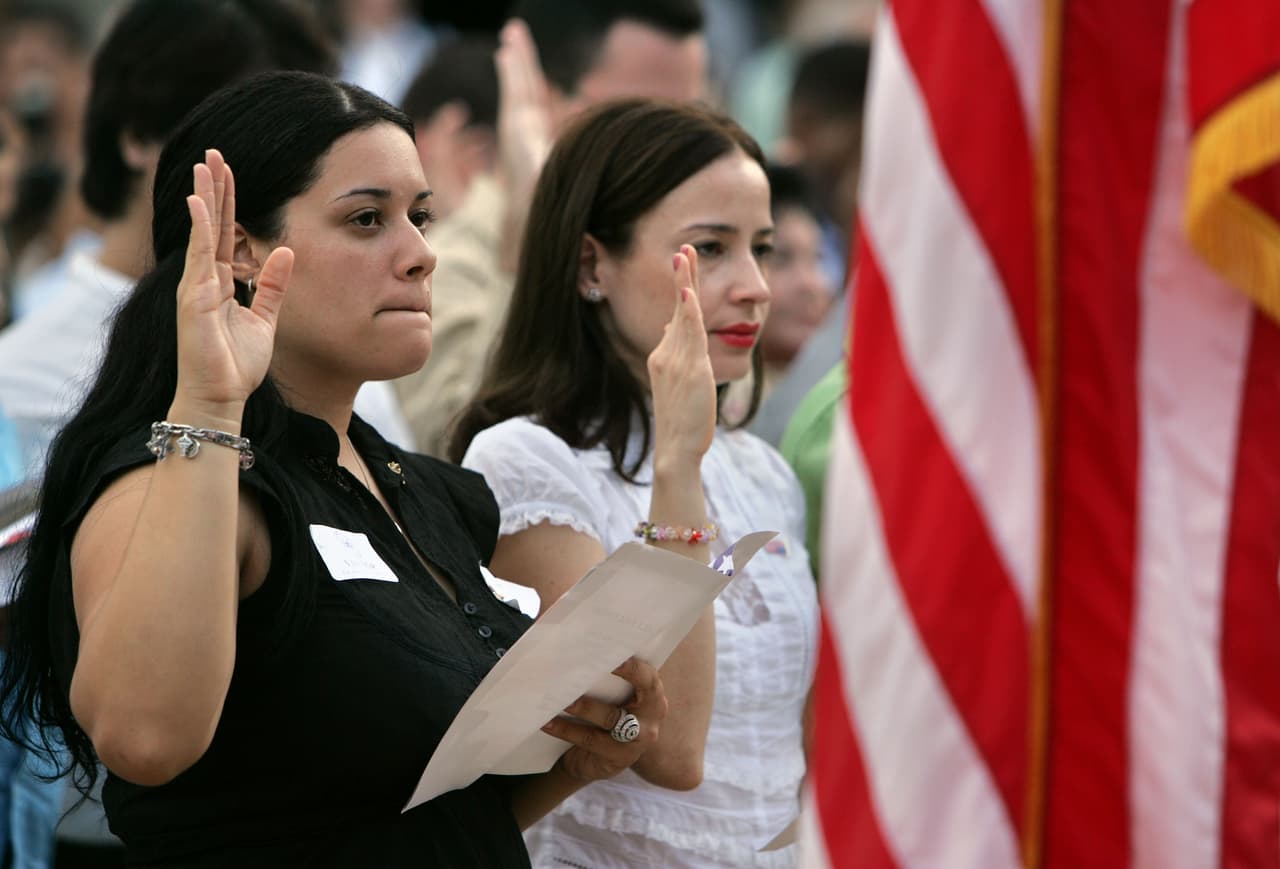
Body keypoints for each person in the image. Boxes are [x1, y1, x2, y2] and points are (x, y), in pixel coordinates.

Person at [0, 70, 669, 867]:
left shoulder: (433, 494)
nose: (420, 254)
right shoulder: (172, 471)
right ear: (241, 249)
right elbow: (143, 738)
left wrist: (575, 763)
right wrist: (210, 404)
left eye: (420, 216)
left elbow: (412, 813)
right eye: (366, 219)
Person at [453, 99, 818, 868]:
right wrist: (678, 466)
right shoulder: (527, 459)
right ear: (592, 264)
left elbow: (798, 745)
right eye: (710, 249)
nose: (755, 286)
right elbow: (671, 748)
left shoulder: (765, 471)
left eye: (761, 248)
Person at [393, 0, 708, 456]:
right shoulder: (442, 259)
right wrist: (531, 233)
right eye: (639, 115)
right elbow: (456, 453)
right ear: (544, 98)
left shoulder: (701, 248)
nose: (676, 148)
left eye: (692, 117)